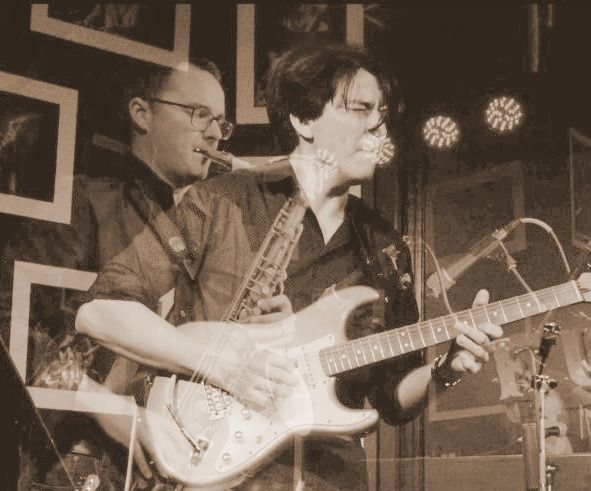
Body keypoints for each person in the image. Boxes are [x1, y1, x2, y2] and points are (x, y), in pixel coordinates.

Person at [75, 44, 503, 490]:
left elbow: (392, 398)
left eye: (380, 113)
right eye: (359, 109)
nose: (377, 126)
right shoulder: (220, 201)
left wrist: (446, 370)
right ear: (303, 119)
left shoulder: (386, 246)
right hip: (212, 463)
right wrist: (220, 363)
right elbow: (100, 313)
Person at [0, 58, 287, 489]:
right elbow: (12, 322)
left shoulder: (212, 227)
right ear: (141, 112)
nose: (214, 133)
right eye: (200, 114)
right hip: (74, 464)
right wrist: (103, 403)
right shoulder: (86, 202)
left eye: (221, 122)